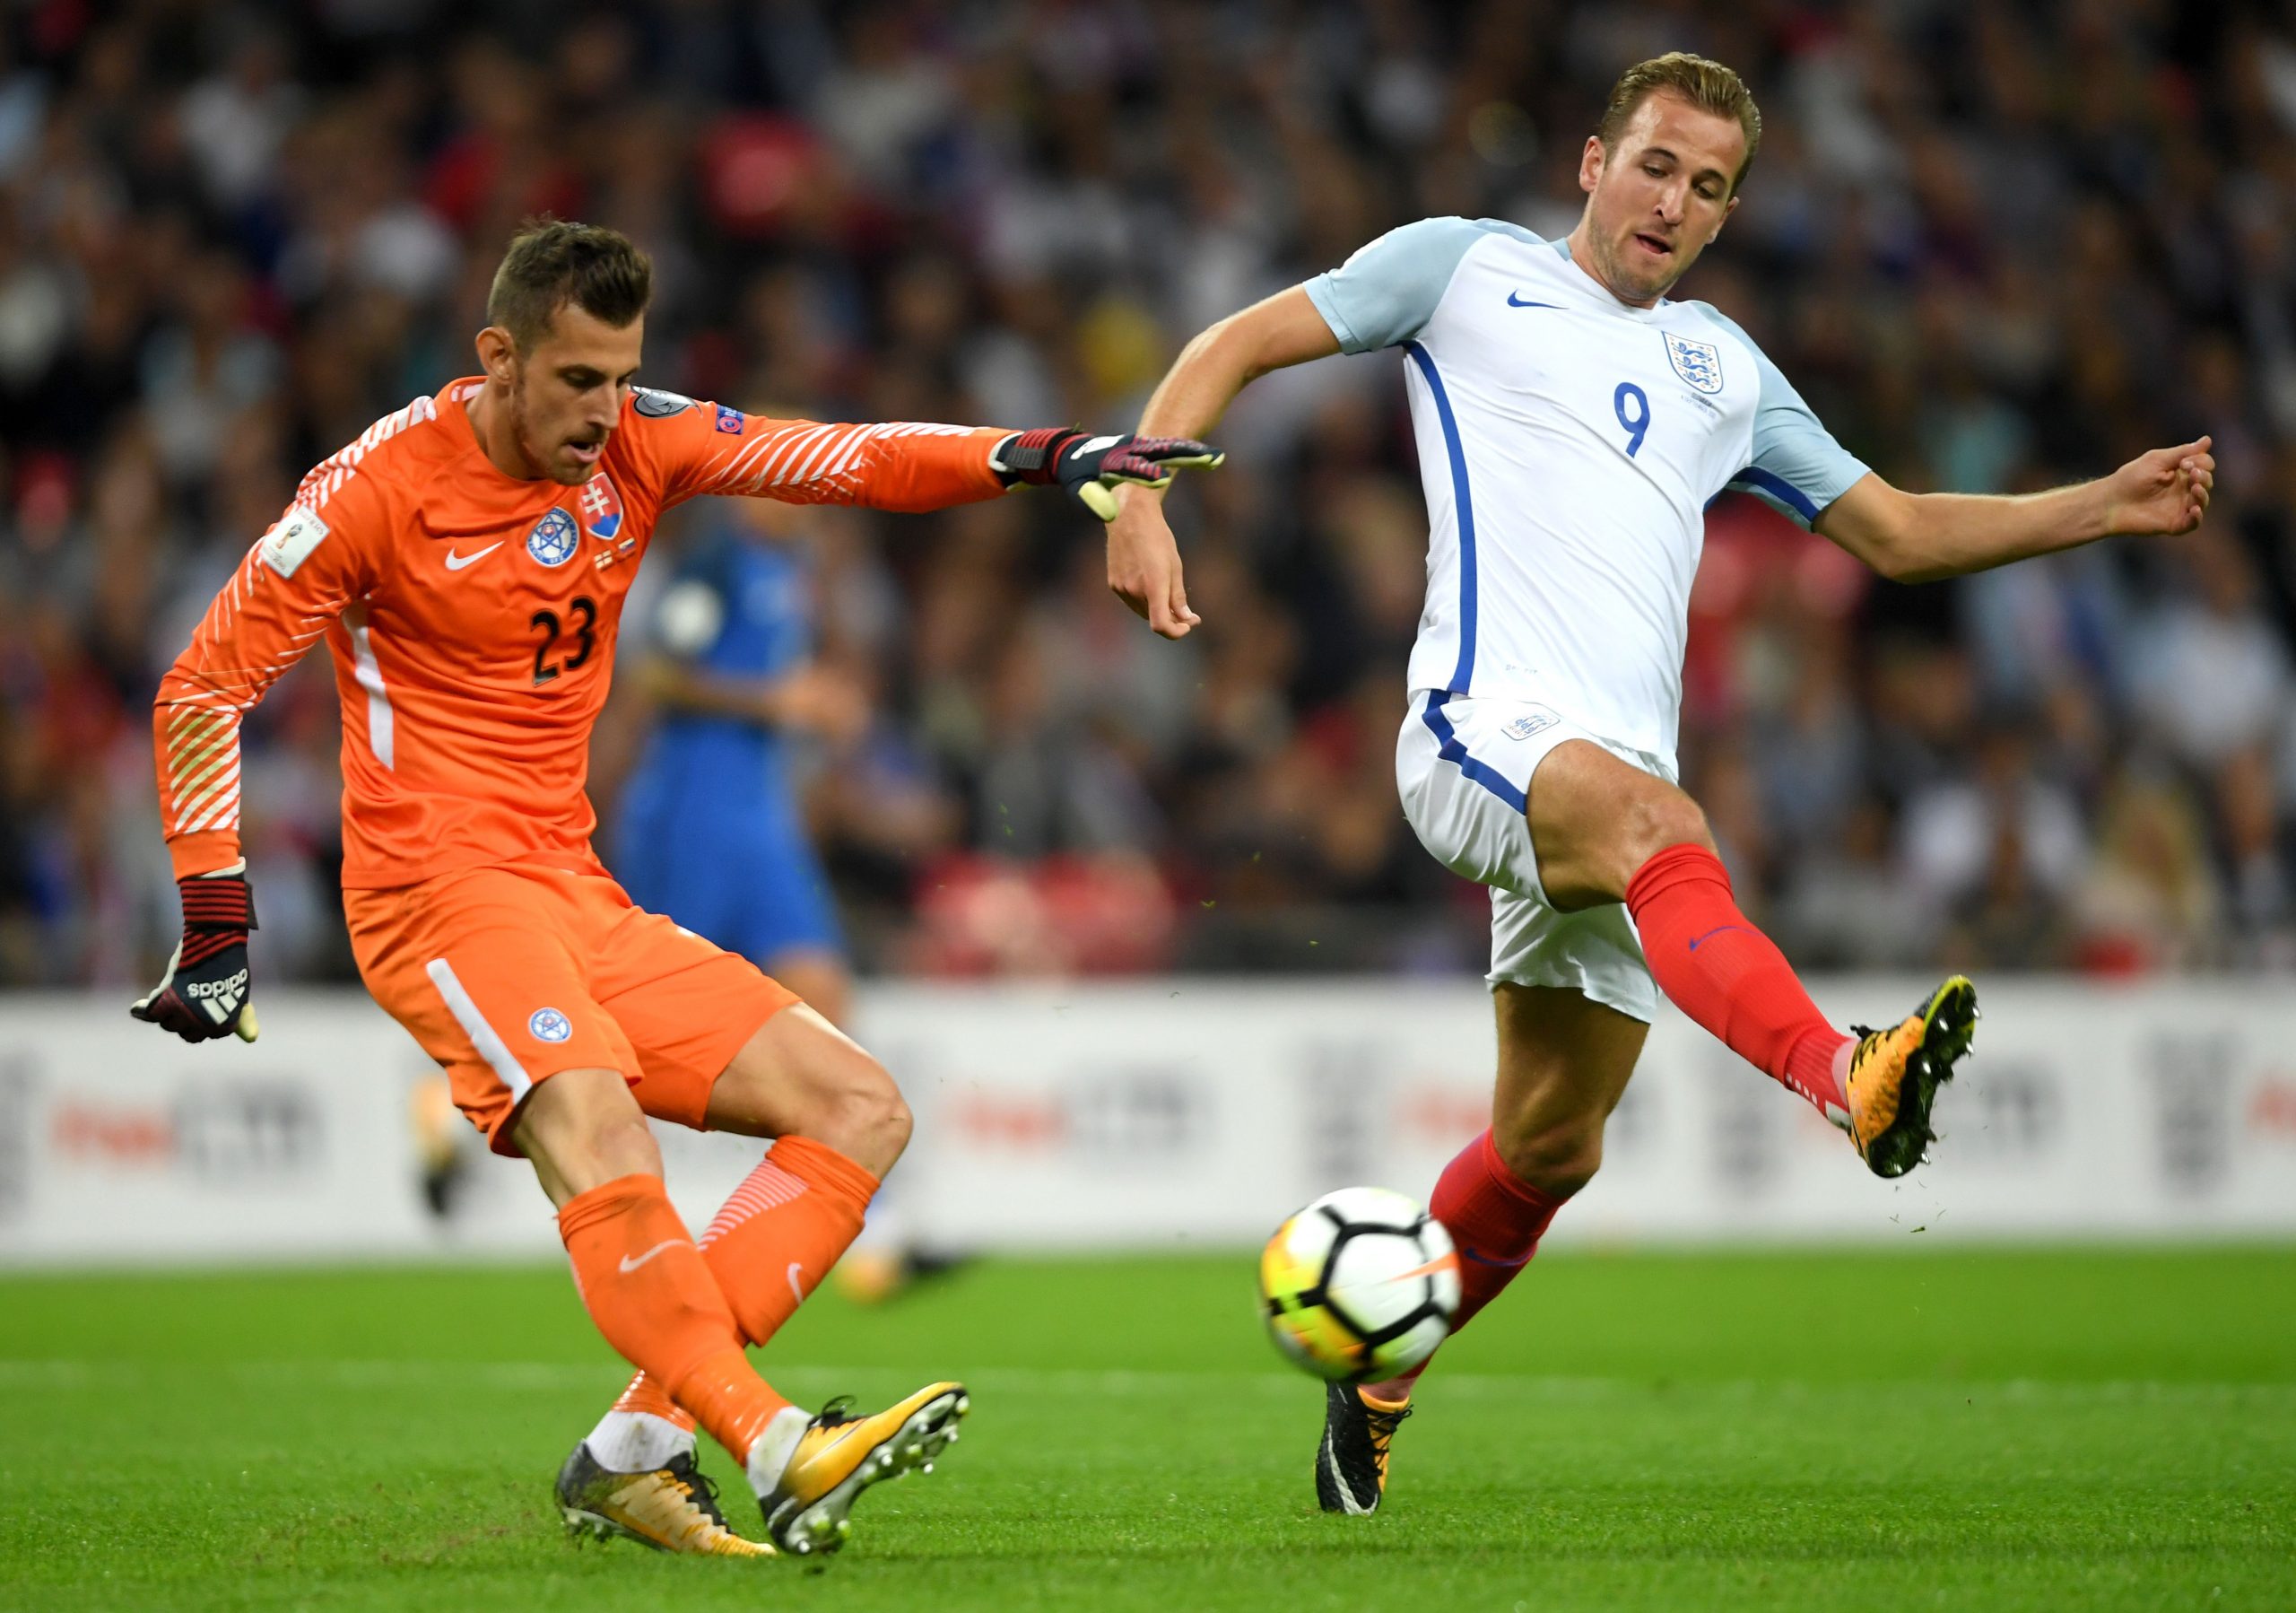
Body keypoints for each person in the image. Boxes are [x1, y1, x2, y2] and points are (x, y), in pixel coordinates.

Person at [1103, 53, 2213, 1516]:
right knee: (1664, 826)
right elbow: (1237, 340)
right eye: (1653, 164)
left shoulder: (1726, 368)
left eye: (1705, 186)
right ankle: (1848, 1074)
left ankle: (1377, 1377)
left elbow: (1896, 531)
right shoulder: (1463, 271)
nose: (1671, 200)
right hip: (1476, 734)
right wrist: (1136, 493)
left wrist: (2105, 504)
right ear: (1589, 160)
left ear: (1725, 212)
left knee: (1551, 1146)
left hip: (1605, 795)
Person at [129, 219, 1221, 1560]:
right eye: (577, 378)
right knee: (597, 1122)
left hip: (574, 888)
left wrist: (1049, 457)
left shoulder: (644, 440)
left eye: (623, 374)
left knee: (859, 1105)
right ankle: (774, 1443)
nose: (606, 410)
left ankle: (638, 1446)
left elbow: (846, 459)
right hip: (436, 891)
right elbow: (203, 684)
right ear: (498, 357)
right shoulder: (374, 488)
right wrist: (217, 919)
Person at [613, 493, 942, 1301]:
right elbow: (657, 674)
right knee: (616, 1015)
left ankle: (879, 1239)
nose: (798, 493)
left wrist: (818, 705)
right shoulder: (714, 564)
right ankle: (450, 1105)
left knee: (826, 996)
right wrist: (780, 702)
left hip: (763, 821)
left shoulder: (791, 571)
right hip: (694, 813)